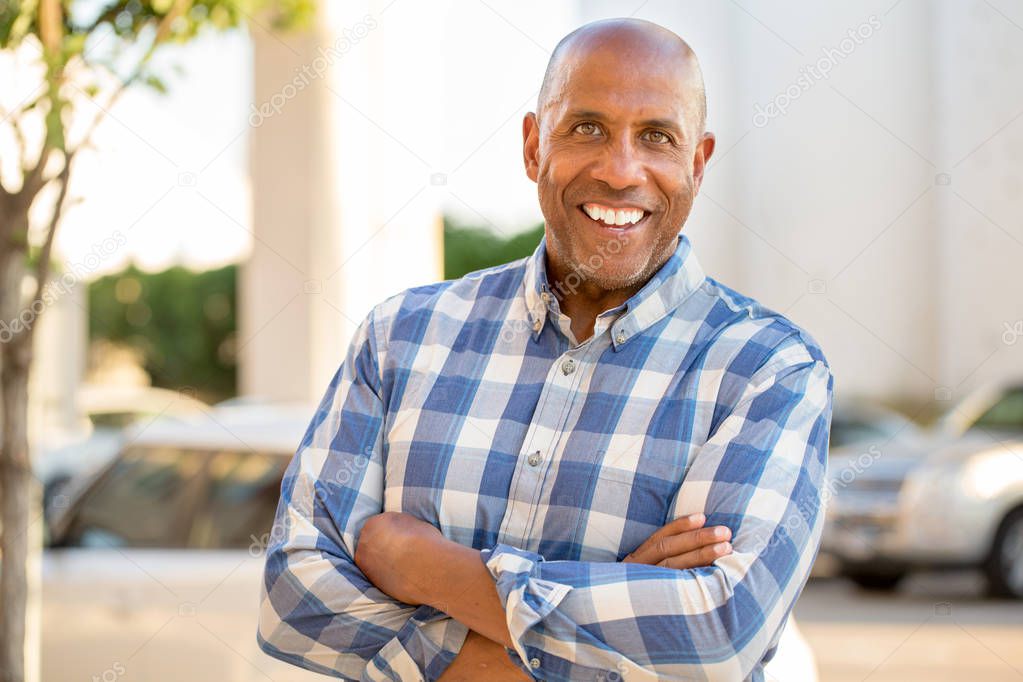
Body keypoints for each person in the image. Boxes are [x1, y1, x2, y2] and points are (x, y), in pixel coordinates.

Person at [257, 17, 833, 682]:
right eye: (586, 127)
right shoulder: (400, 337)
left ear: (696, 163)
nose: (621, 170)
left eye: (656, 136)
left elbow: (716, 636)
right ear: (533, 147)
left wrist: (430, 570)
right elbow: (291, 601)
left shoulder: (767, 368)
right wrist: (616, 601)